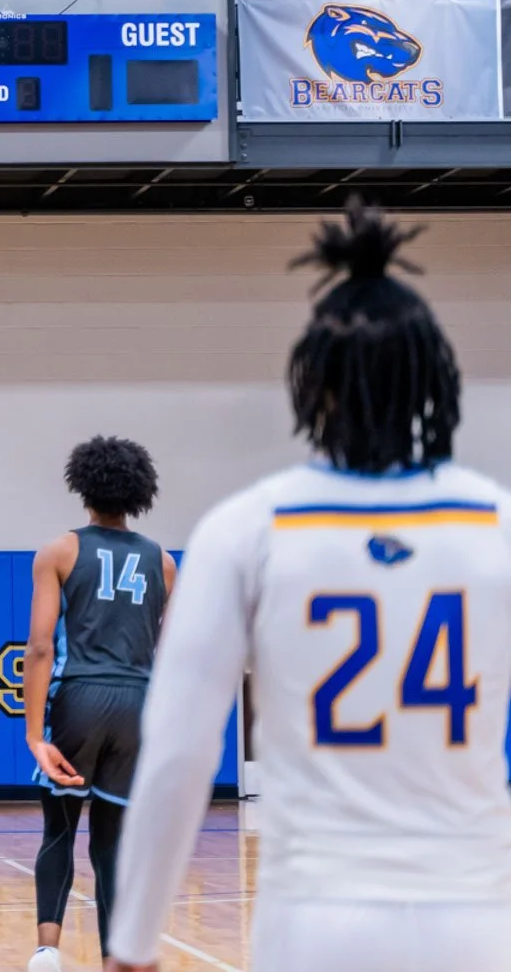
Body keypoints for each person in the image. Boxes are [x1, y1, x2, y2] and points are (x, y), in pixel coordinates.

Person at [107, 200, 511, 972]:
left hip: (316, 920)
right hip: (476, 918)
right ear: (437, 381)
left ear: (311, 386)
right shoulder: (495, 522)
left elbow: (180, 752)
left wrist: (131, 943)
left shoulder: (249, 528)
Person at [21, 437, 175, 972]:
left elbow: (40, 646)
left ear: (83, 484)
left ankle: (47, 950)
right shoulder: (164, 561)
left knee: (59, 828)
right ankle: (116, 956)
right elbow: (171, 657)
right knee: (111, 843)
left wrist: (34, 733)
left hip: (80, 697)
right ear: (139, 492)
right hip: (137, 704)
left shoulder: (61, 551)